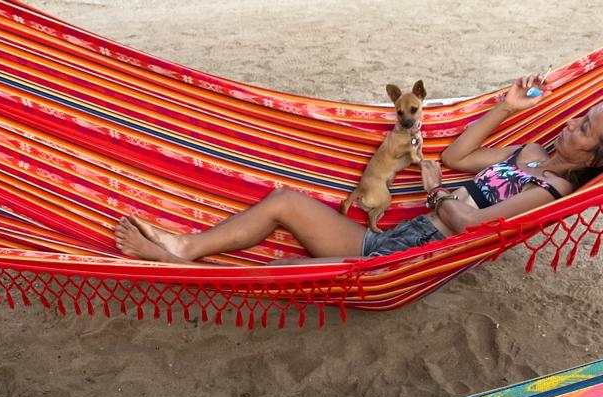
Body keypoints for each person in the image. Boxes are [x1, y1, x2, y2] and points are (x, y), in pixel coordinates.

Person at [114, 76, 603, 265]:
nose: (569, 123)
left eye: (582, 128)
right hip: (397, 236)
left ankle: (180, 259)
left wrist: (435, 194)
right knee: (284, 199)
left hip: (409, 261)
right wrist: (505, 107)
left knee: (283, 271)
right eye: (579, 116)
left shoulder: (549, 188)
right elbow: (455, 157)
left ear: (593, 158)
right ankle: (186, 247)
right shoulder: (530, 153)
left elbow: (473, 227)